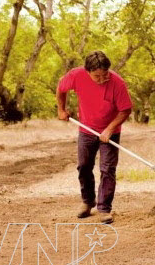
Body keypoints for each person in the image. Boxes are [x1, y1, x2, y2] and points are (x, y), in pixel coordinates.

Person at [56, 51, 132, 224]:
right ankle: (87, 201)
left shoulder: (117, 83)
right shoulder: (76, 75)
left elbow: (126, 109)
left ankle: (104, 208)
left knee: (107, 169)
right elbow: (61, 88)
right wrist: (61, 109)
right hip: (86, 130)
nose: (102, 79)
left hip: (110, 131)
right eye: (97, 76)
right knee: (84, 167)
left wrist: (110, 129)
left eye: (105, 74)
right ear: (87, 71)